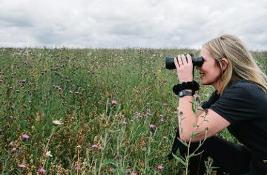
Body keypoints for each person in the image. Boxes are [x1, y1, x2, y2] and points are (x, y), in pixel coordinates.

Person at [169, 34, 267, 175]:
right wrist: (188, 84)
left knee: (192, 138)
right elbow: (191, 123)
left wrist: (185, 86)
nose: (197, 67)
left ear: (223, 64)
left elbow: (189, 133)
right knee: (196, 141)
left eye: (201, 61)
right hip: (255, 158)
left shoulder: (243, 92)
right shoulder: (226, 91)